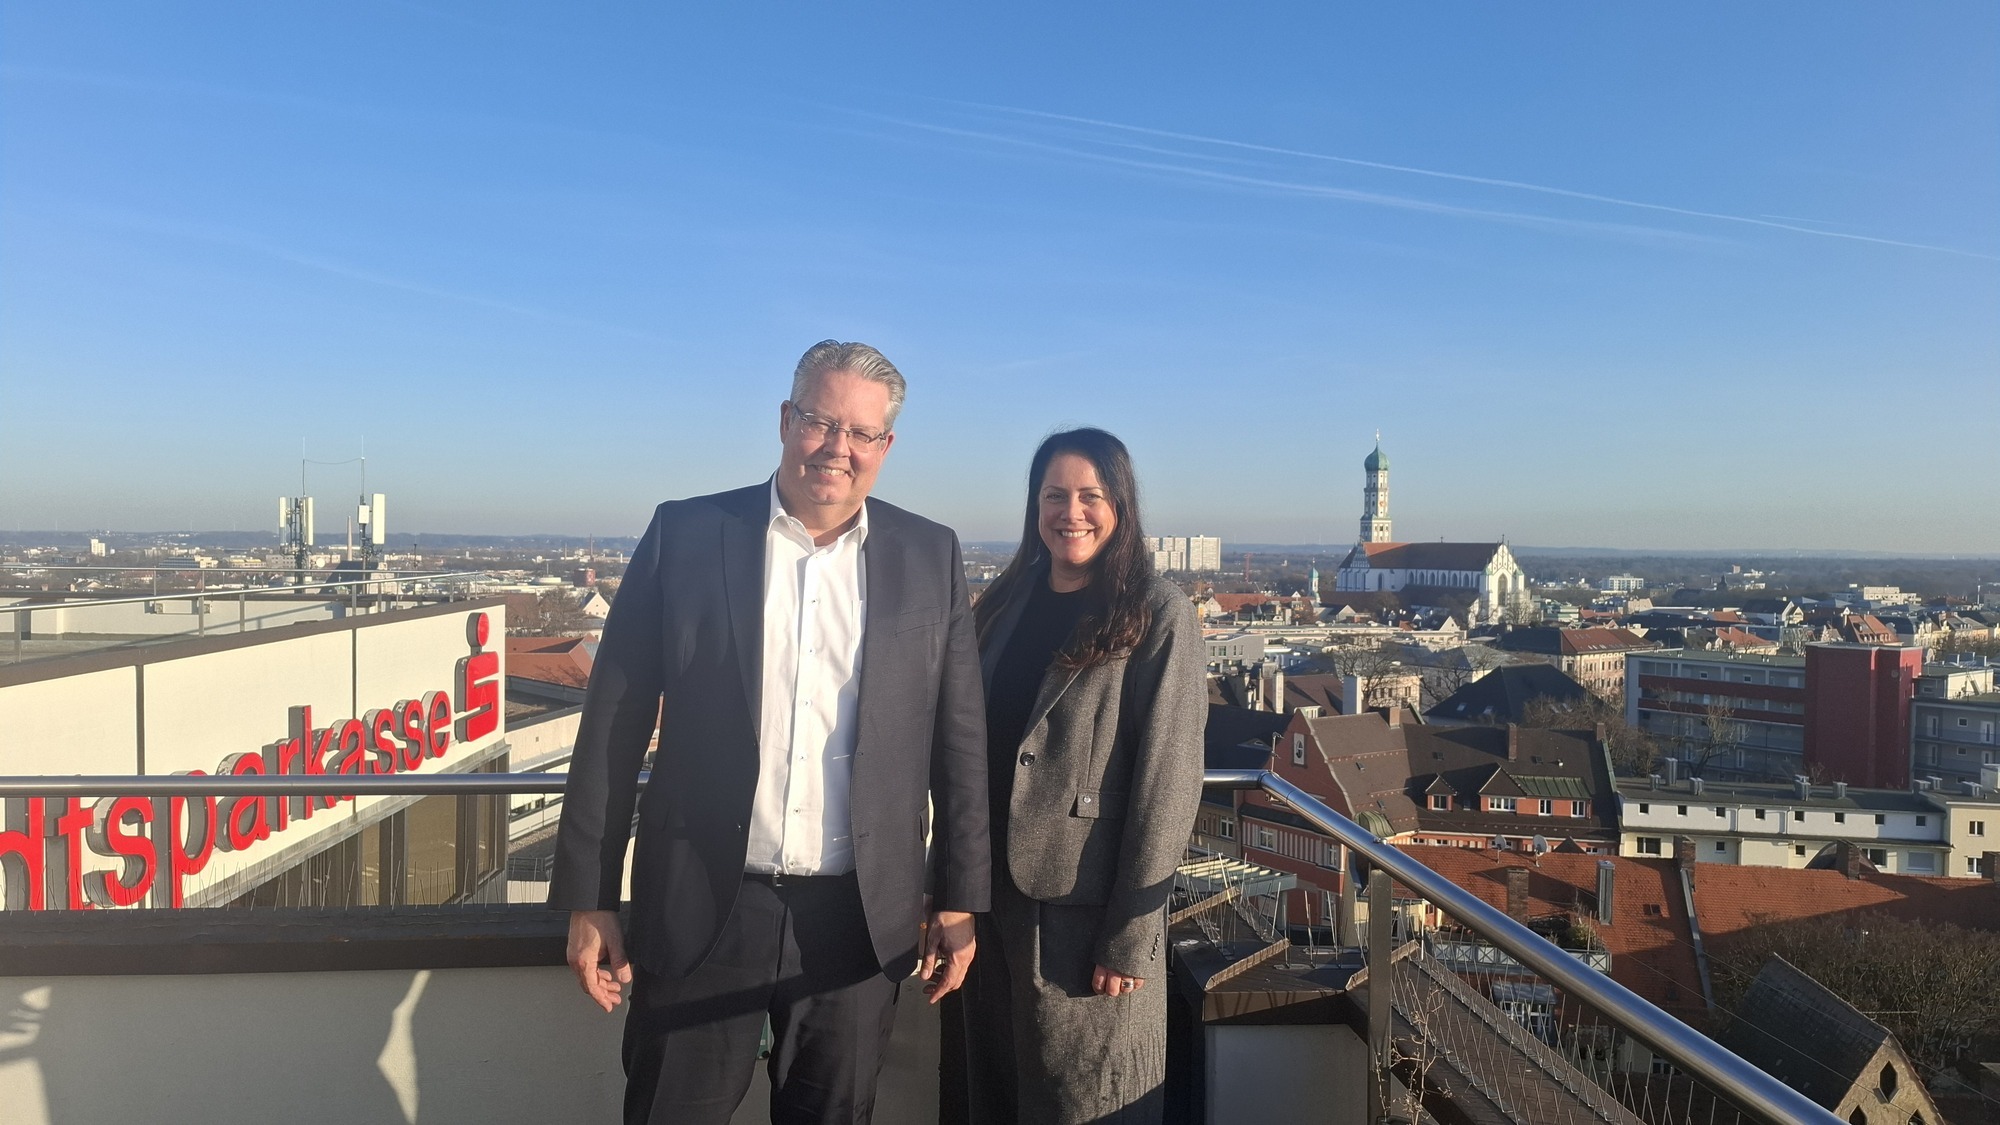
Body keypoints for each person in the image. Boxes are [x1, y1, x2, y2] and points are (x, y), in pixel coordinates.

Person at [550, 340, 990, 1125]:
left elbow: (958, 741)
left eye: (861, 433)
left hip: (856, 923)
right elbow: (613, 722)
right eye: (820, 421)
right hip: (702, 905)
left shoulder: (931, 555)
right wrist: (590, 896)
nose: (837, 447)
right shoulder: (686, 534)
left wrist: (958, 896)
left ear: (886, 446)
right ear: (786, 420)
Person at [948, 427, 1205, 1124]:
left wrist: (1130, 933)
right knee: (993, 1092)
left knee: (1083, 1101)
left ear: (1121, 504)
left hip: (1083, 915)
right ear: (1035, 507)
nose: (1072, 511)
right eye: (1054, 494)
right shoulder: (1007, 600)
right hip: (990, 898)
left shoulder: (1156, 613)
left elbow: (1168, 785)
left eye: (1091, 495)